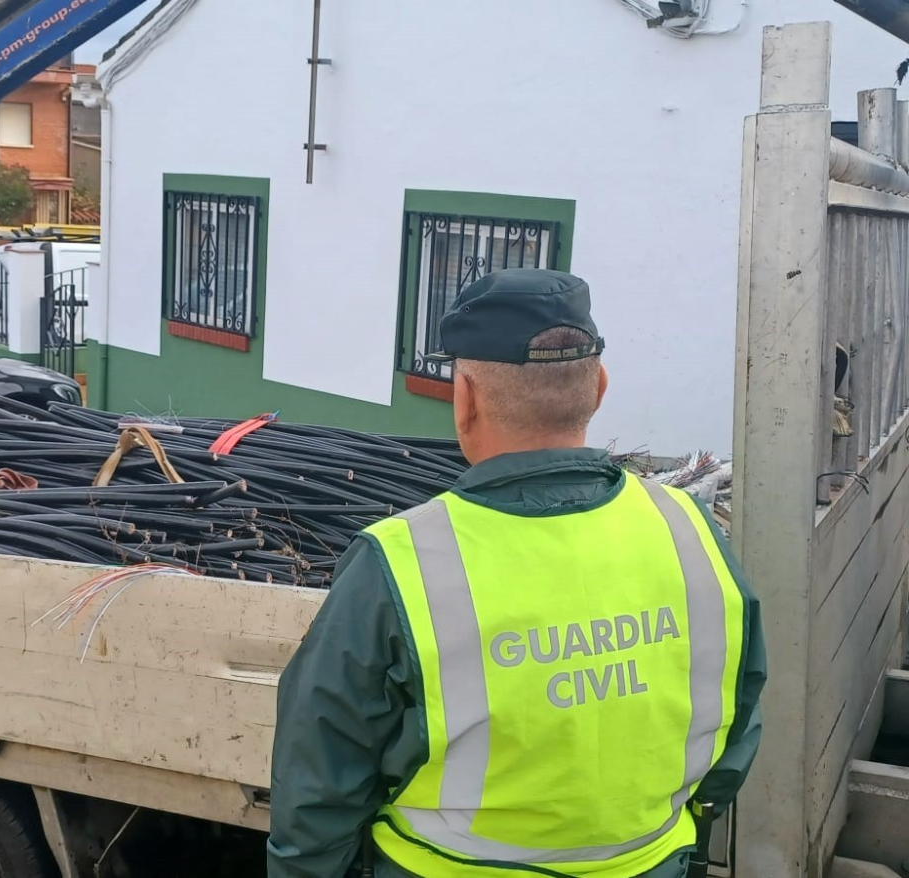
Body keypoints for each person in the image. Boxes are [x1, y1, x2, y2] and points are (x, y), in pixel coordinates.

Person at [266, 269, 765, 878]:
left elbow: (319, 787)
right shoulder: (690, 531)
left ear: (466, 397)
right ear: (600, 386)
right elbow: (736, 718)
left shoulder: (400, 562)